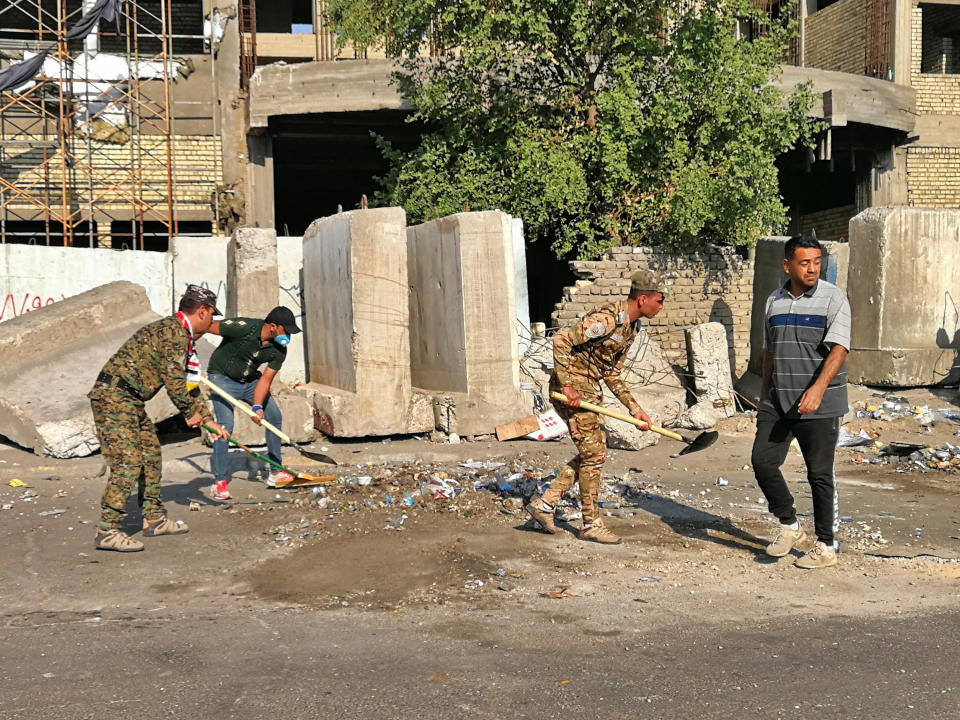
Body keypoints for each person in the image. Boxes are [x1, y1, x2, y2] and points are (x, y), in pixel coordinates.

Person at [526, 270, 666, 544]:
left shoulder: (631, 328)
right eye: (659, 301)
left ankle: (545, 504)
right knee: (594, 454)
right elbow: (562, 340)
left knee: (593, 454)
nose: (661, 307)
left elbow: (611, 373)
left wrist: (634, 408)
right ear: (643, 299)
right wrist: (567, 385)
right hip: (572, 390)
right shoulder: (608, 319)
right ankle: (590, 523)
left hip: (589, 388)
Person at [89, 285, 230, 553]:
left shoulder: (183, 336)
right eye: (212, 315)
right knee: (128, 462)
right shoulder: (173, 334)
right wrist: (193, 415)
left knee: (151, 454)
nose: (213, 321)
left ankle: (153, 518)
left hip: (129, 399)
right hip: (114, 397)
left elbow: (189, 385)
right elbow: (175, 384)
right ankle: (107, 531)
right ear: (203, 311)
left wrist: (208, 420)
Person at [752, 235, 851, 569]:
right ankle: (790, 525)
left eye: (817, 262)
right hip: (778, 401)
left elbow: (839, 349)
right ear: (787, 265)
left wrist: (818, 389)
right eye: (804, 262)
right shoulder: (774, 301)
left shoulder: (833, 298)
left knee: (819, 475)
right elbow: (770, 352)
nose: (812, 269)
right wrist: (764, 395)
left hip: (820, 404)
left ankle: (826, 546)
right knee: (763, 462)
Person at [205, 306, 302, 500]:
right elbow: (209, 326)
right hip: (221, 378)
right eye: (286, 331)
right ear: (273, 326)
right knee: (224, 427)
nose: (289, 336)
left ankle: (275, 472)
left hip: (250, 381)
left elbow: (265, 380)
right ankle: (220, 483)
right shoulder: (245, 327)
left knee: (274, 417)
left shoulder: (279, 350)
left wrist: (257, 406)